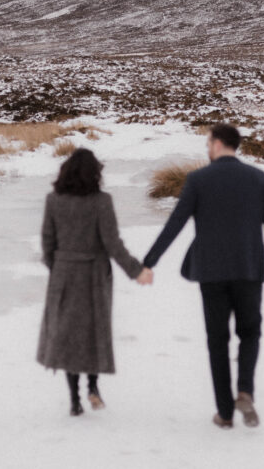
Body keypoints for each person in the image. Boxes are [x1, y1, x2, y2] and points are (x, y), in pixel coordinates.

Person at [141, 123, 264, 429]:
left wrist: (149, 262)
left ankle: (224, 412)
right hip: (249, 269)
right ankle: (245, 390)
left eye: (208, 143)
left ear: (219, 144)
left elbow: (176, 223)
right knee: (250, 333)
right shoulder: (258, 179)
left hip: (211, 273)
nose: (207, 148)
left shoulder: (198, 179)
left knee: (217, 340)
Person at [36, 148, 153, 416]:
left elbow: (47, 243)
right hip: (94, 275)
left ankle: (75, 399)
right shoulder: (102, 201)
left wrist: (59, 269)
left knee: (66, 336)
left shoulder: (54, 200)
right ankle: (93, 388)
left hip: (64, 276)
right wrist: (136, 270)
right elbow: (112, 243)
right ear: (95, 174)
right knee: (93, 332)